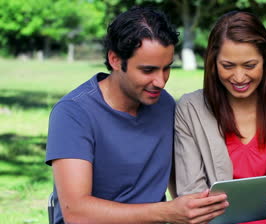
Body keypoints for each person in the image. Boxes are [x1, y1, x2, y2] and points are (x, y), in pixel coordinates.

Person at [45, 6, 228, 224]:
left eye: (167, 68)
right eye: (148, 70)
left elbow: (179, 183)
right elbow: (76, 213)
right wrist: (167, 212)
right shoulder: (73, 113)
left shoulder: (165, 105)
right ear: (115, 60)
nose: (161, 81)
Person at [173, 11, 266, 224]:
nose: (239, 77)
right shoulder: (191, 110)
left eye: (249, 65)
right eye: (227, 66)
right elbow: (191, 197)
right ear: (213, 63)